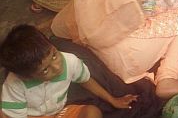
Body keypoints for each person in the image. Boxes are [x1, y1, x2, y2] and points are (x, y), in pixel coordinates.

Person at [0, 25, 137, 118]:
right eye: (45, 70)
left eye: (54, 55)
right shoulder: (15, 84)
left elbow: (86, 80)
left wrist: (112, 100)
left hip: (59, 112)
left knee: (92, 112)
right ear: (27, 77)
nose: (58, 67)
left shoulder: (69, 61)